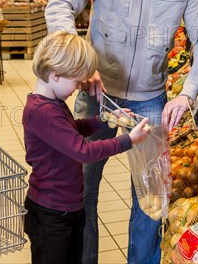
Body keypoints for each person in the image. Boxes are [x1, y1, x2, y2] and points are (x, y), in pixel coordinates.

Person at [44, 0, 198, 264]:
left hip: (150, 101)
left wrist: (188, 92)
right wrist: (81, 61)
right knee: (82, 192)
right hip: (97, 96)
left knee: (150, 199)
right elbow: (59, 5)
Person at [23, 30, 151, 263]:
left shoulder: (53, 103)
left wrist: (105, 119)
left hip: (67, 208)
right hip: (51, 215)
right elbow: (82, 151)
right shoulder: (43, 112)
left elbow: (72, 129)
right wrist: (127, 141)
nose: (78, 87)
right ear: (55, 75)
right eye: (75, 81)